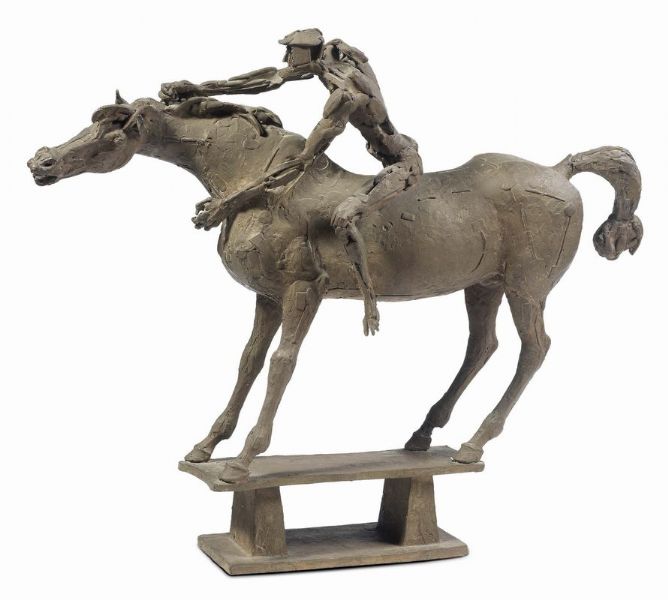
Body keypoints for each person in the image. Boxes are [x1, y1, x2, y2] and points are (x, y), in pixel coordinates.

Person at [161, 29, 423, 336]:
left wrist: (230, 202)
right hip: (386, 148)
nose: (286, 58)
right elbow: (268, 79)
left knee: (343, 218)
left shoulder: (344, 96)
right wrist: (197, 89)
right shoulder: (329, 56)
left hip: (402, 165)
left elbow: (302, 160)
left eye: (291, 51)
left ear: (307, 52)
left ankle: (370, 303)